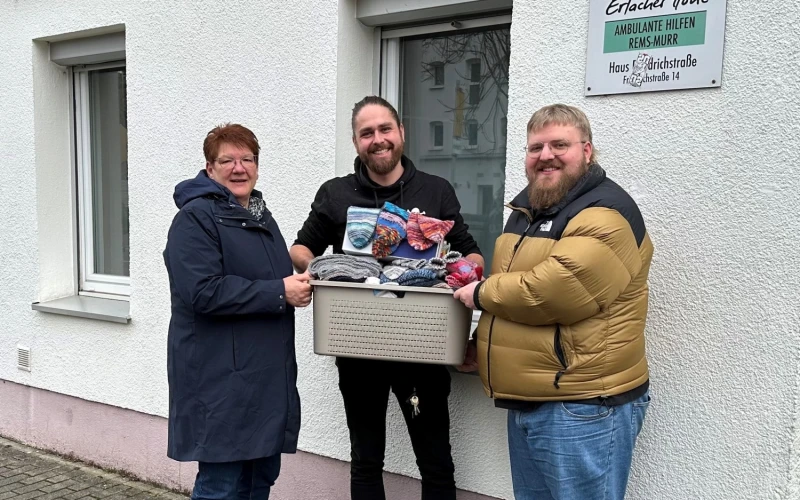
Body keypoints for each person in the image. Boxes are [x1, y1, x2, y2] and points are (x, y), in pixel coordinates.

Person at [454, 104, 653, 500]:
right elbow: (517, 293)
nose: (546, 155)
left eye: (560, 144)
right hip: (536, 397)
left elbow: (554, 292)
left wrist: (478, 294)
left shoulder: (606, 211)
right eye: (535, 147)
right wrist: (484, 346)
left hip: (582, 406)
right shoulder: (527, 210)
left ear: (587, 150)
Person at [290, 96, 483, 500]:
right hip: (357, 348)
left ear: (401, 134)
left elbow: (469, 249)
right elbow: (302, 248)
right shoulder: (336, 193)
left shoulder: (435, 190)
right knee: (365, 460)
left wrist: (466, 274)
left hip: (422, 349)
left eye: (385, 129)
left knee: (435, 461)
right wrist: (315, 272)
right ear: (356, 142)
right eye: (367, 133)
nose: (378, 140)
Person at [163, 123, 312, 500]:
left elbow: (266, 279)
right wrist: (280, 291)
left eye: (247, 159)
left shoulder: (261, 216)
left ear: (258, 166)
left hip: (264, 378)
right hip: (220, 381)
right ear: (209, 168)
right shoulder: (194, 219)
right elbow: (203, 291)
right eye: (227, 160)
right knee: (221, 486)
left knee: (259, 480)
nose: (239, 167)